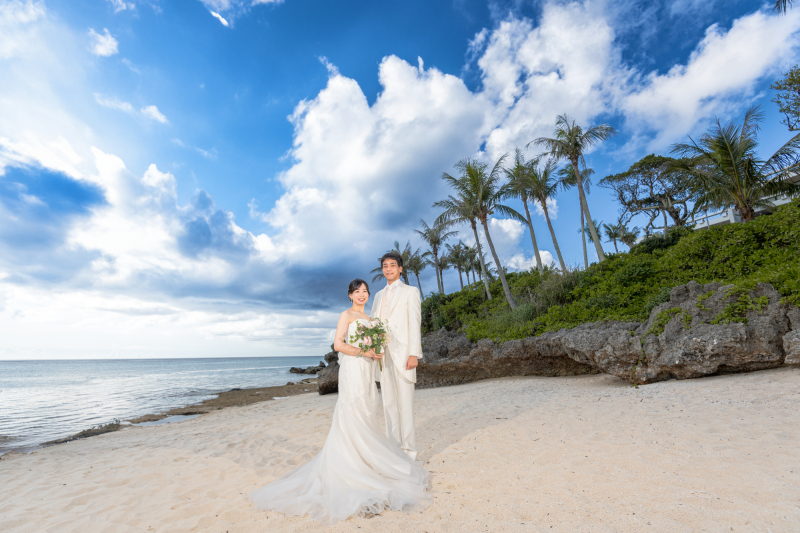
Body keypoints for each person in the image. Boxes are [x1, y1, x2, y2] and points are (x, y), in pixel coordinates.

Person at [248, 279, 431, 527]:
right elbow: (338, 344)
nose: (362, 295)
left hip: (368, 371)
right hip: (353, 369)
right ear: (349, 295)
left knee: (367, 412)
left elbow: (379, 342)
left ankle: (367, 459)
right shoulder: (346, 315)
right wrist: (365, 352)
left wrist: (376, 350)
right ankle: (352, 463)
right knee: (352, 411)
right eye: (357, 292)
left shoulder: (372, 320)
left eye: (365, 291)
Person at [370, 252, 423, 460]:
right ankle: (394, 449)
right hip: (383, 356)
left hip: (403, 355)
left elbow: (414, 323)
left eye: (393, 265)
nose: (389, 269)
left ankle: (409, 451)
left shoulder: (410, 291)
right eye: (385, 266)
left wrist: (414, 354)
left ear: (400, 269)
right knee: (389, 404)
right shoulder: (377, 296)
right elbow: (374, 324)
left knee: (405, 404)